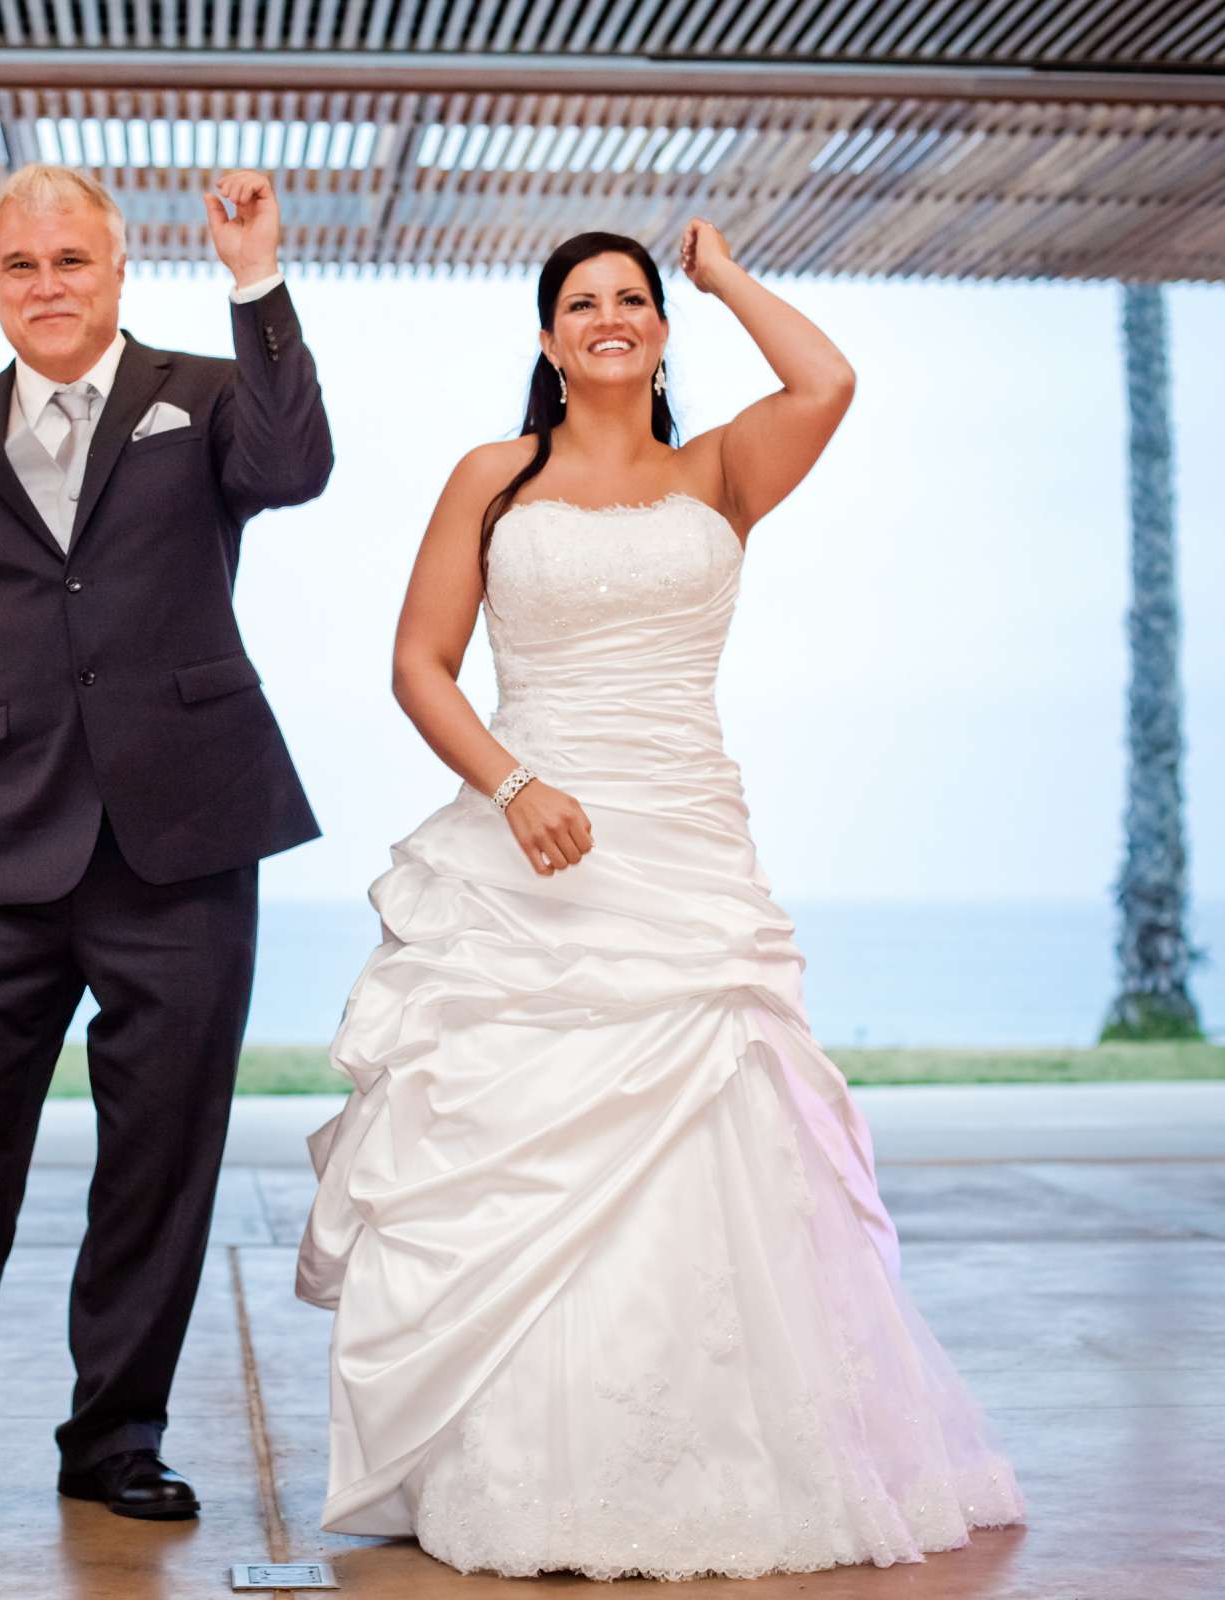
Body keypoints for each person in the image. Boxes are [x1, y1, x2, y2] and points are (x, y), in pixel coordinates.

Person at [296, 223, 1024, 1579]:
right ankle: (514, 1464)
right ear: (547, 337)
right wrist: (516, 786)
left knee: (724, 1134)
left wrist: (725, 274)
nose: (612, 319)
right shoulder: (491, 478)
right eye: (584, 303)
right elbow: (419, 663)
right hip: (530, 850)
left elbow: (828, 385)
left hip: (686, 846)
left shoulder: (721, 471)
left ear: (661, 329)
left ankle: (723, 1458)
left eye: (633, 300)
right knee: (510, 1150)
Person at [0, 163, 332, 1520]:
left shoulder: (208, 393)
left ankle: (115, 1436)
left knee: (161, 1152)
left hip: (181, 841)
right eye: (23, 267)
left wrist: (258, 278)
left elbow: (296, 467)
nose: (48, 287)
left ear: (118, 272)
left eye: (72, 262)